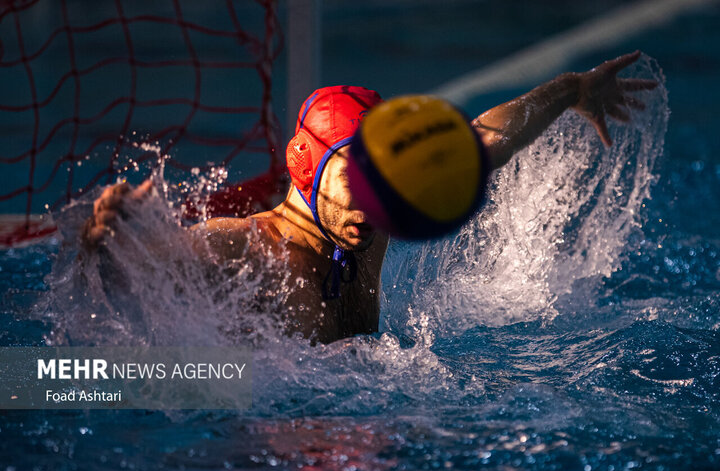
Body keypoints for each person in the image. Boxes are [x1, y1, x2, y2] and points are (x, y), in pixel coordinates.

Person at [82, 51, 657, 344]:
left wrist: (571, 90)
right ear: (306, 171)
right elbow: (156, 269)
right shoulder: (253, 251)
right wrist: (111, 243)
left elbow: (481, 140)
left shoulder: (374, 210)